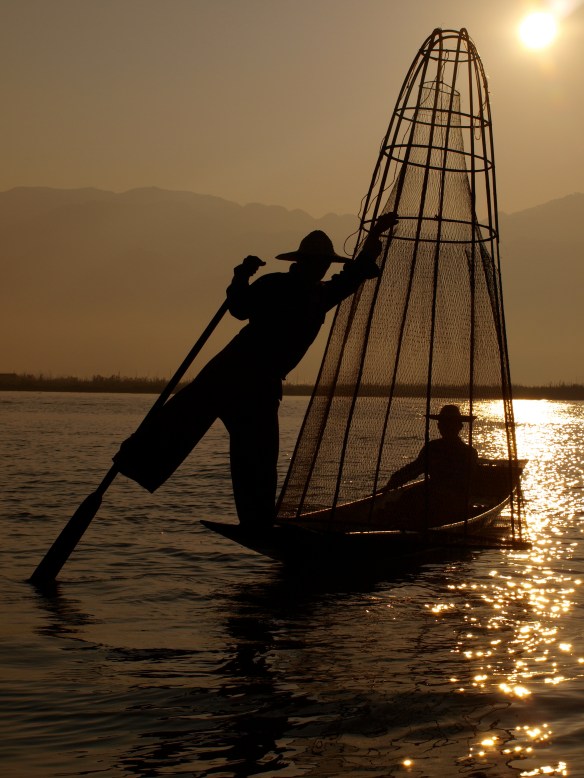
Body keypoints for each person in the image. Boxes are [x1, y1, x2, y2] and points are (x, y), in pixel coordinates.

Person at [114, 212, 398, 530]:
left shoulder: (320, 295)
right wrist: (241, 275)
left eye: (323, 264)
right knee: (181, 419)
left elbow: (355, 272)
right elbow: (238, 307)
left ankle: (256, 522)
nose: (320, 268)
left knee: (258, 456)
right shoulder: (276, 284)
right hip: (232, 370)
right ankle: (132, 461)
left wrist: (375, 235)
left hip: (260, 384)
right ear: (302, 262)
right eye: (315, 262)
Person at [383, 404, 479, 527]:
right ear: (439, 426)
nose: (444, 427)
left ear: (459, 427)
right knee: (408, 498)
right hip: (435, 495)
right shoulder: (433, 447)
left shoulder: (467, 452)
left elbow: (466, 482)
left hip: (453, 500)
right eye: (443, 424)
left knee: (411, 499)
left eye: (449, 424)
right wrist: (394, 481)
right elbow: (414, 469)